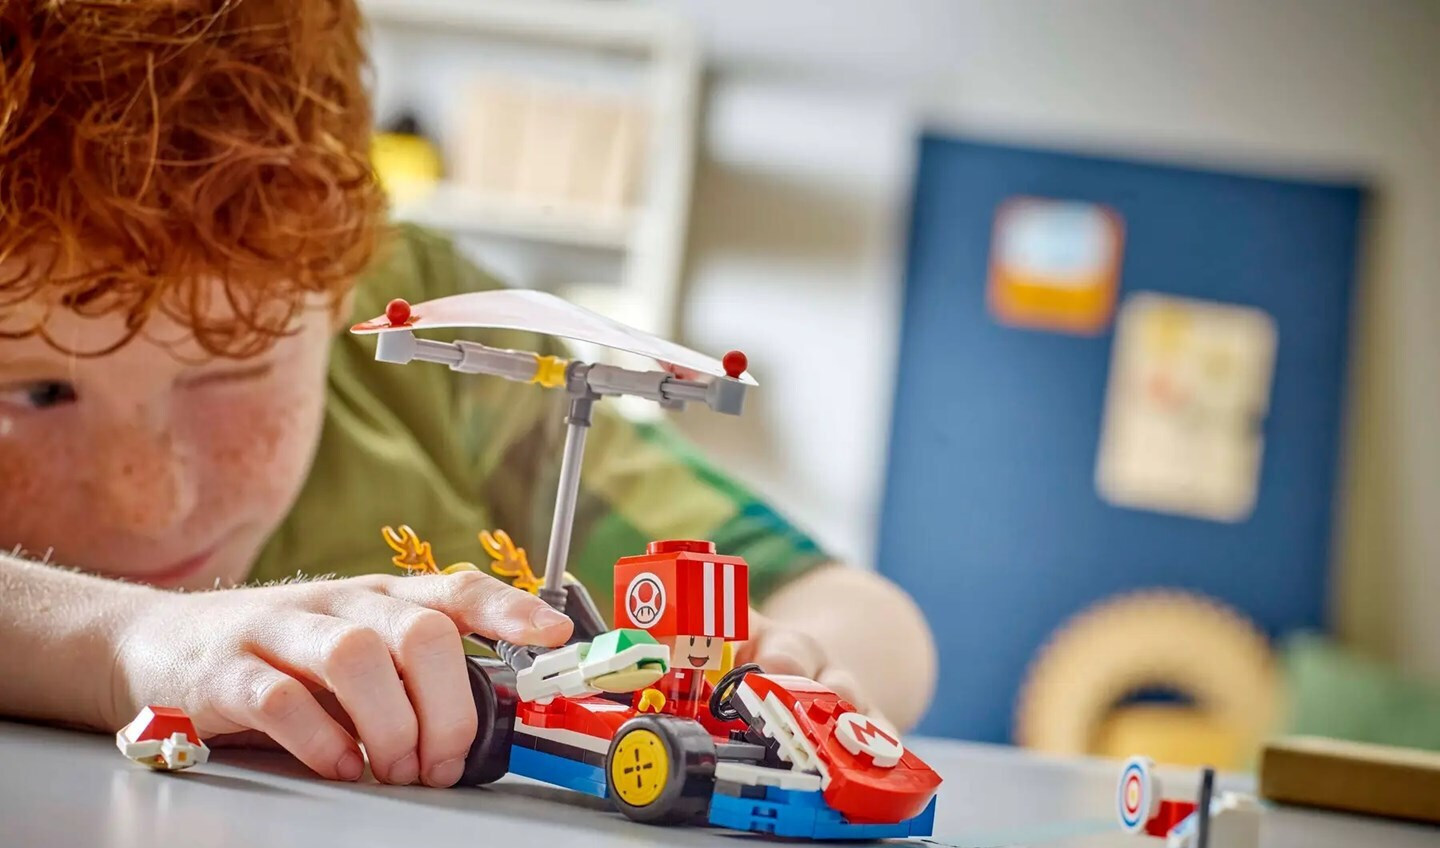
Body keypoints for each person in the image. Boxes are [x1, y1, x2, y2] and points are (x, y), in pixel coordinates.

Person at [0, 0, 936, 788]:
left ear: (342, 291)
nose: (148, 502)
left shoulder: (426, 322)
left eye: (231, 365)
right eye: (33, 391)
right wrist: (121, 640)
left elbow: (860, 612)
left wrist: (792, 673)